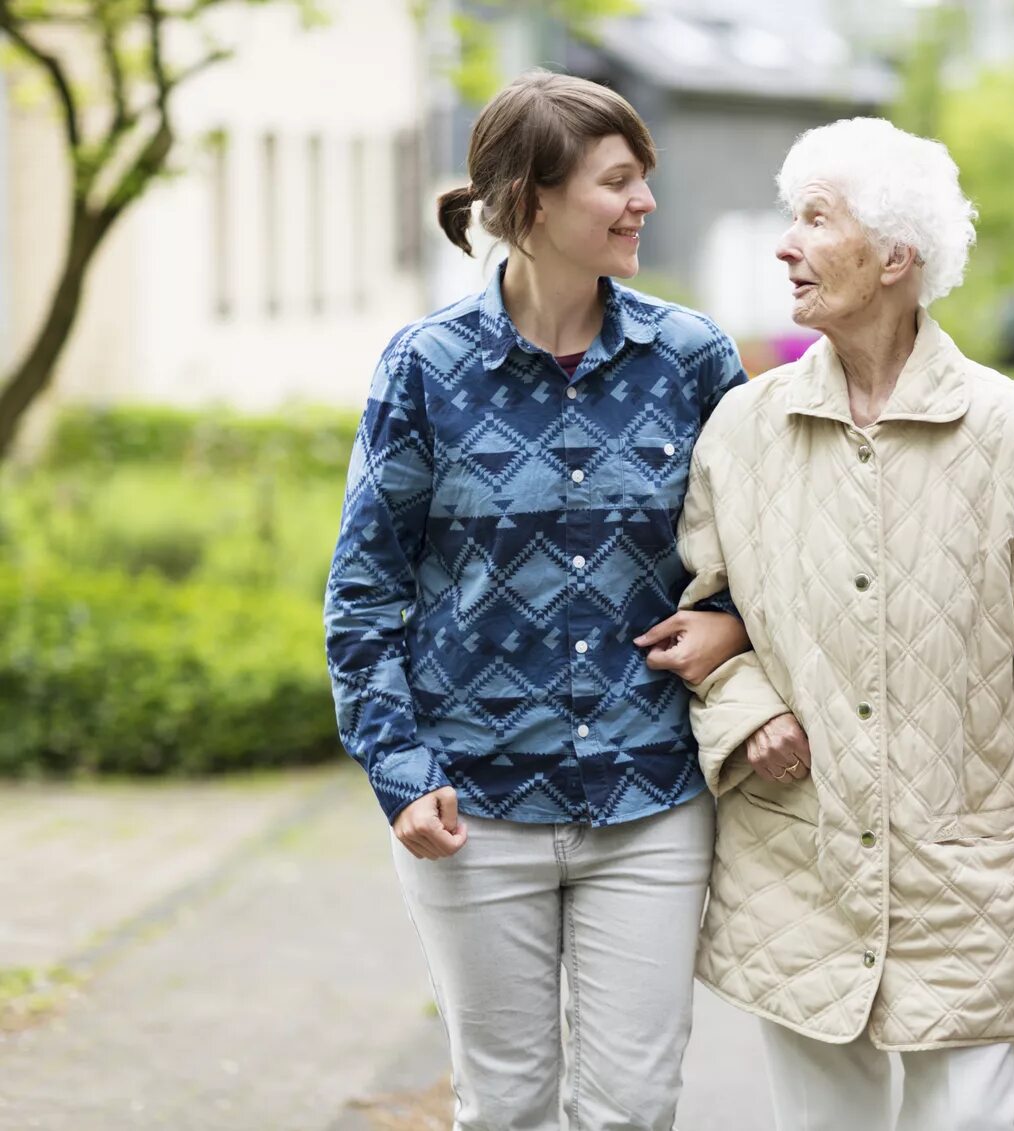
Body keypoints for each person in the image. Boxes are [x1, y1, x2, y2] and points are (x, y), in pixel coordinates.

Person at [657, 117, 1014, 1130]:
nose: (784, 245)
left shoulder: (1013, 436)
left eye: (814, 219)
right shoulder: (742, 431)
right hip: (797, 863)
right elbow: (691, 619)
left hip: (962, 871)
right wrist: (745, 700)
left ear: (896, 256)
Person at [324, 70, 750, 1131]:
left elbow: (766, 551)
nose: (644, 202)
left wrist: (735, 621)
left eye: (642, 178)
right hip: (472, 806)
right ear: (530, 203)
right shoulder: (425, 369)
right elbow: (363, 594)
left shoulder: (691, 361)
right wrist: (399, 770)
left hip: (647, 796)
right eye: (616, 182)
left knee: (633, 1106)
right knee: (505, 1103)